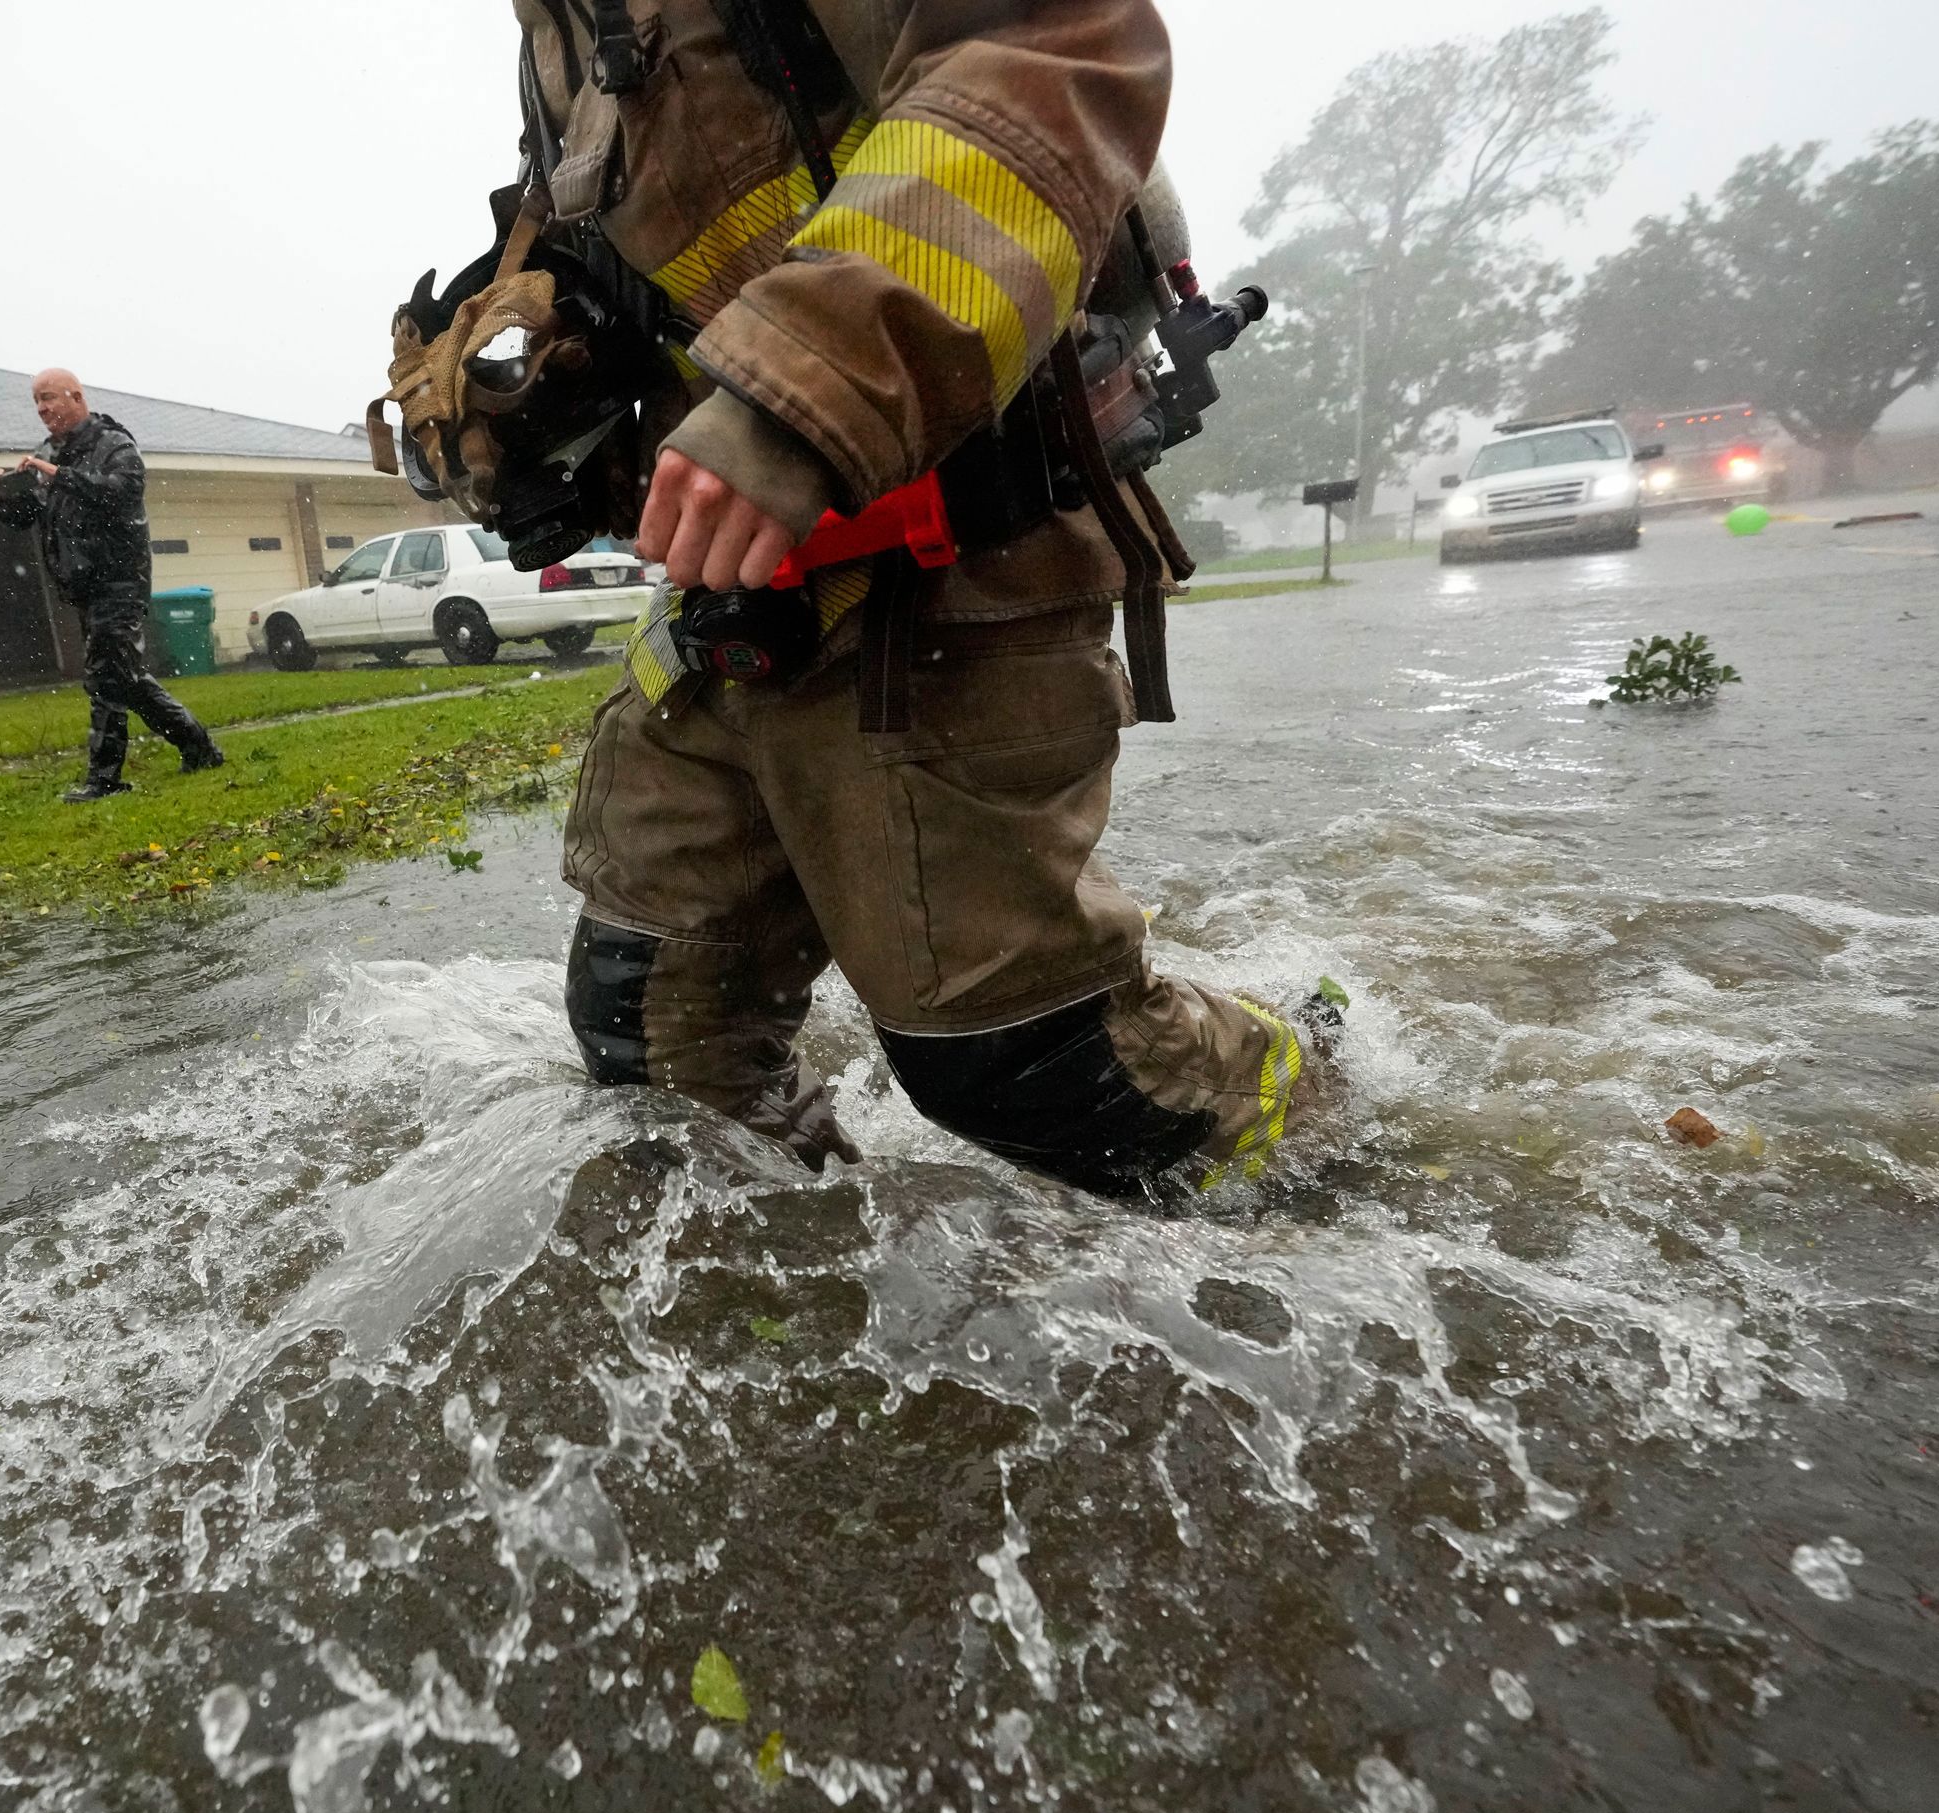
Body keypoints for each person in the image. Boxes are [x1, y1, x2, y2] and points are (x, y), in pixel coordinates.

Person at [437, 0, 1342, 1203]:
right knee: (653, 1032)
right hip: (737, 607)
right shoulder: (555, 39)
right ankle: (811, 1298)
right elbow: (672, 281)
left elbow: (1057, 52)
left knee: (1027, 1063)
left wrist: (794, 393)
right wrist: (563, 422)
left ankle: (1322, 1092)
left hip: (956, 557)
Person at [0, 369, 223, 802]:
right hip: (82, 585)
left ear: (76, 397)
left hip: (120, 581)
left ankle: (104, 780)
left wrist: (59, 474)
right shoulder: (49, 454)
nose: (42, 409)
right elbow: (27, 516)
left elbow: (121, 493)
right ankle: (199, 747)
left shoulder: (115, 445)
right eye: (36, 401)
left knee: (104, 680)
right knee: (124, 680)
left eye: (49, 398)